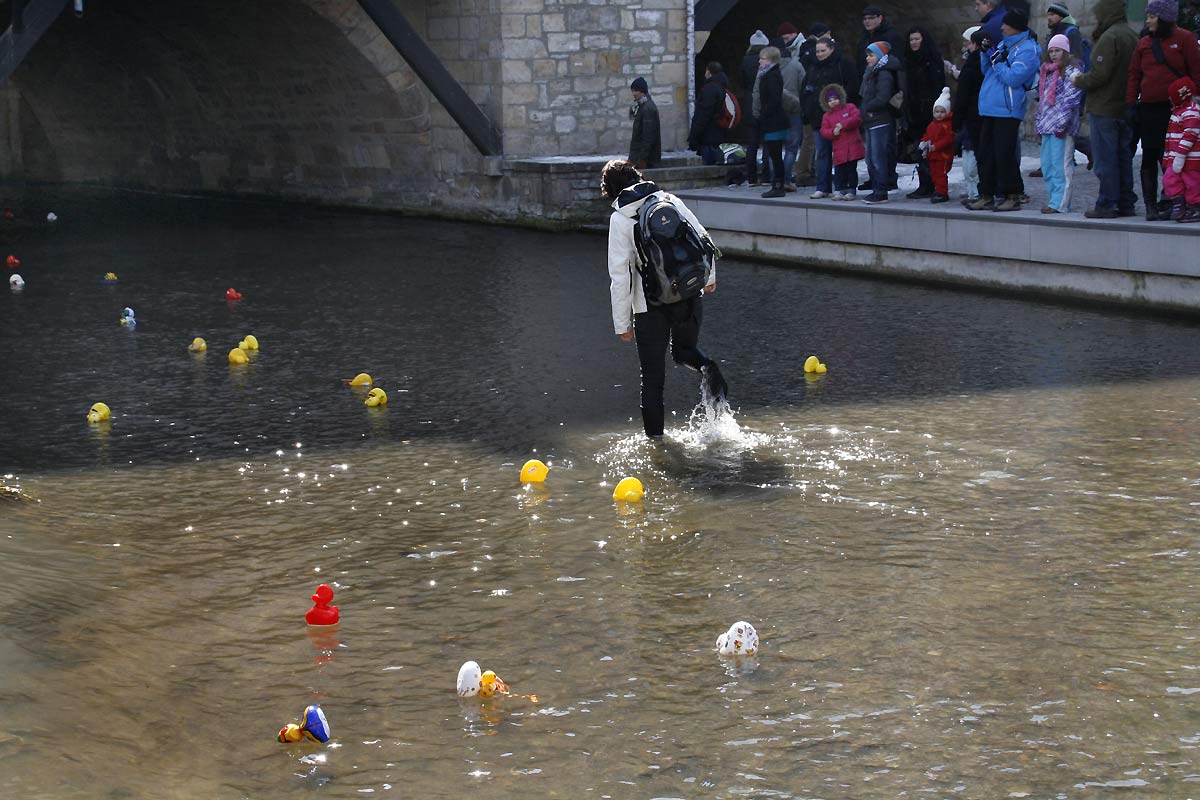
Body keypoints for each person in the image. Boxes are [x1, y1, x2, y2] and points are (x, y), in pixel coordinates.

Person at [601, 160, 726, 439]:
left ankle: (656, 446)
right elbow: (701, 237)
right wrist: (708, 278)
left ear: (609, 190)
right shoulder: (668, 199)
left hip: (650, 307)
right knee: (684, 352)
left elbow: (620, 276)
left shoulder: (621, 219)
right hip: (688, 293)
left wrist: (622, 324)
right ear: (638, 177)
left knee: (653, 380)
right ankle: (708, 368)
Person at [1126, 0, 1200, 219]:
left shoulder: (1185, 39)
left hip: (1177, 110)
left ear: (1163, 17)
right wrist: (1131, 104)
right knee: (1149, 155)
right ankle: (1150, 205)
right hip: (1150, 109)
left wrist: (1193, 103)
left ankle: (1172, 200)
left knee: (1173, 157)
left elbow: (1196, 72)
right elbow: (1134, 75)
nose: (1147, 19)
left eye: (1151, 16)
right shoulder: (1144, 44)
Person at [1071, 0, 1139, 218]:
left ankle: (1107, 203)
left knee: (1105, 159)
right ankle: (1126, 202)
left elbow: (1099, 75)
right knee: (1123, 157)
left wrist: (1078, 79)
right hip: (1124, 106)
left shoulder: (1110, 37)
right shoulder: (1131, 35)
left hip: (1105, 107)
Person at [968, 9, 1039, 212]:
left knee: (1004, 153)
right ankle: (986, 194)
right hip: (990, 106)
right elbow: (987, 71)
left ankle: (1012, 194)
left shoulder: (1027, 49)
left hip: (1008, 108)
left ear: (1015, 26)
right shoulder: (1003, 43)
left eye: (1005, 24)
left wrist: (996, 59)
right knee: (986, 153)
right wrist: (985, 53)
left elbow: (1014, 78)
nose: (1001, 27)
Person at [804, 37, 860, 197]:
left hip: (840, 116)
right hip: (818, 116)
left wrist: (845, 109)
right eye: (818, 51)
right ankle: (823, 187)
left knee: (843, 155)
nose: (820, 54)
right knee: (822, 152)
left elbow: (852, 87)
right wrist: (807, 110)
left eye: (823, 50)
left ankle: (843, 187)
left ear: (832, 49)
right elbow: (806, 88)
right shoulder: (813, 66)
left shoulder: (843, 63)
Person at [1035, 34, 1085, 213]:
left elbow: (1071, 100)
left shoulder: (1071, 72)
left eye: (1057, 50)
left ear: (1065, 51)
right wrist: (1039, 123)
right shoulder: (1047, 73)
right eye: (1051, 51)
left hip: (1061, 128)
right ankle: (1053, 200)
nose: (1054, 54)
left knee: (1060, 167)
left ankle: (1060, 203)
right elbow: (1042, 101)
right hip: (1047, 126)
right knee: (1047, 166)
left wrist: (1061, 124)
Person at [1045, 2, 1094, 173]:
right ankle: (1064, 160)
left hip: (1067, 85)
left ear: (1061, 15)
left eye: (1052, 14)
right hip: (1055, 84)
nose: (1049, 18)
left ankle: (1087, 151)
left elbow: (1077, 60)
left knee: (1066, 125)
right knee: (1058, 125)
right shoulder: (1057, 31)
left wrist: (1067, 84)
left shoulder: (1070, 32)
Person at [902, 27, 947, 198]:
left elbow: (937, 86)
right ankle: (925, 184)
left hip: (930, 111)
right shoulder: (908, 61)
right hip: (914, 111)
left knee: (932, 150)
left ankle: (936, 185)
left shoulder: (932, 61)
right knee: (920, 150)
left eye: (916, 39)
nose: (913, 42)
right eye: (911, 39)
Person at [859, 41, 901, 203]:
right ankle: (877, 187)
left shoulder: (883, 74)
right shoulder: (872, 72)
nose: (867, 58)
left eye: (871, 55)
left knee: (877, 157)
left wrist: (868, 107)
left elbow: (882, 97)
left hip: (880, 119)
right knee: (871, 158)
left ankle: (881, 190)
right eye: (867, 55)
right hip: (871, 119)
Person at [795, 22, 834, 186]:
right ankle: (805, 173)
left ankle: (809, 172)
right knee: (813, 142)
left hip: (810, 106)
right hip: (816, 108)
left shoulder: (803, 52)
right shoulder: (813, 62)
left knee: (812, 142)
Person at [953, 27, 986, 204]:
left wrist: (956, 120)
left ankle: (980, 193)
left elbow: (964, 95)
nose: (965, 45)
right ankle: (978, 191)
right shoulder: (980, 61)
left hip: (974, 115)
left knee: (975, 158)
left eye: (967, 42)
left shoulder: (974, 63)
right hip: (980, 112)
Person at [1160, 76, 1200, 221]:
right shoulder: (1177, 112)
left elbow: (1190, 135)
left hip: (1190, 158)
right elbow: (1171, 137)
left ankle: (1194, 207)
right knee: (1170, 178)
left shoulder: (1191, 112)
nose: (1170, 99)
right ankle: (1179, 202)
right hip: (1176, 157)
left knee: (1192, 183)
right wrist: (1169, 157)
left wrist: (1180, 155)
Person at [772, 36, 808, 191]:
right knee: (792, 148)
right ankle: (786, 179)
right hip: (794, 110)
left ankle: (776, 179)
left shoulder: (769, 68)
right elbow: (804, 86)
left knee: (774, 148)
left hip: (775, 111)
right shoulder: (796, 65)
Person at [819, 83, 866, 200]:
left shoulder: (850, 107)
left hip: (852, 147)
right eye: (830, 100)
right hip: (839, 149)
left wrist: (843, 124)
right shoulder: (827, 116)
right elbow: (824, 130)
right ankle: (840, 189)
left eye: (835, 98)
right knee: (839, 171)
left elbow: (856, 119)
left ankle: (851, 190)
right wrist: (832, 132)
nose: (833, 101)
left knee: (851, 170)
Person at [755, 46, 790, 198]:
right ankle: (777, 183)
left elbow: (774, 99)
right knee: (773, 154)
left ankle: (779, 185)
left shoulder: (773, 76)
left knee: (775, 155)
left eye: (763, 59)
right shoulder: (768, 75)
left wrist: (764, 114)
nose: (760, 61)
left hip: (774, 120)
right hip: (771, 120)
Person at [741, 30, 771, 186]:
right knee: (767, 142)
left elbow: (743, 82)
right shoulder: (768, 62)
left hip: (749, 104)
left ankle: (751, 177)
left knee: (752, 144)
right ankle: (766, 176)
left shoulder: (745, 61)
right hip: (764, 104)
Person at [919, 87, 955, 202]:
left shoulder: (947, 125)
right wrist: (924, 141)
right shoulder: (932, 124)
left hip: (943, 155)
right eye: (937, 112)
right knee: (934, 174)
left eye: (942, 112)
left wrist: (937, 146)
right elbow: (928, 135)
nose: (939, 114)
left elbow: (948, 139)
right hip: (933, 155)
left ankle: (942, 192)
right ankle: (938, 190)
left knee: (941, 175)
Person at [688, 62, 728, 165]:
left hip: (708, 133)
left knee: (710, 163)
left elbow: (704, 113)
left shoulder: (710, 88)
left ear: (709, 72)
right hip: (716, 130)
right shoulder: (721, 86)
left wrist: (695, 133)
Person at [628, 77, 661, 169]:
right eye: (633, 91)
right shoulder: (642, 106)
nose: (633, 93)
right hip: (640, 156)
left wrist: (642, 159)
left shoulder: (647, 108)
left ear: (642, 91)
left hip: (644, 159)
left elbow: (648, 136)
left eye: (635, 91)